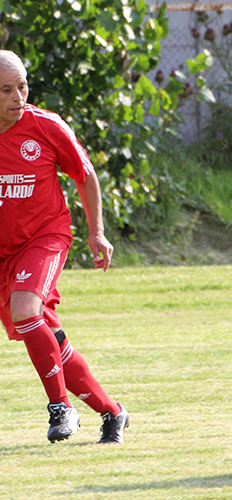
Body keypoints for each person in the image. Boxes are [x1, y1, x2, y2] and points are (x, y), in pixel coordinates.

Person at [0, 50, 130, 443]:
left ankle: (61, 408)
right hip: (3, 251)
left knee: (26, 309)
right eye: (6, 90)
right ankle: (113, 412)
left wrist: (98, 233)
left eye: (21, 87)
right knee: (49, 339)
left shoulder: (46, 127)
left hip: (46, 235)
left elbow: (85, 175)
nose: (16, 97)